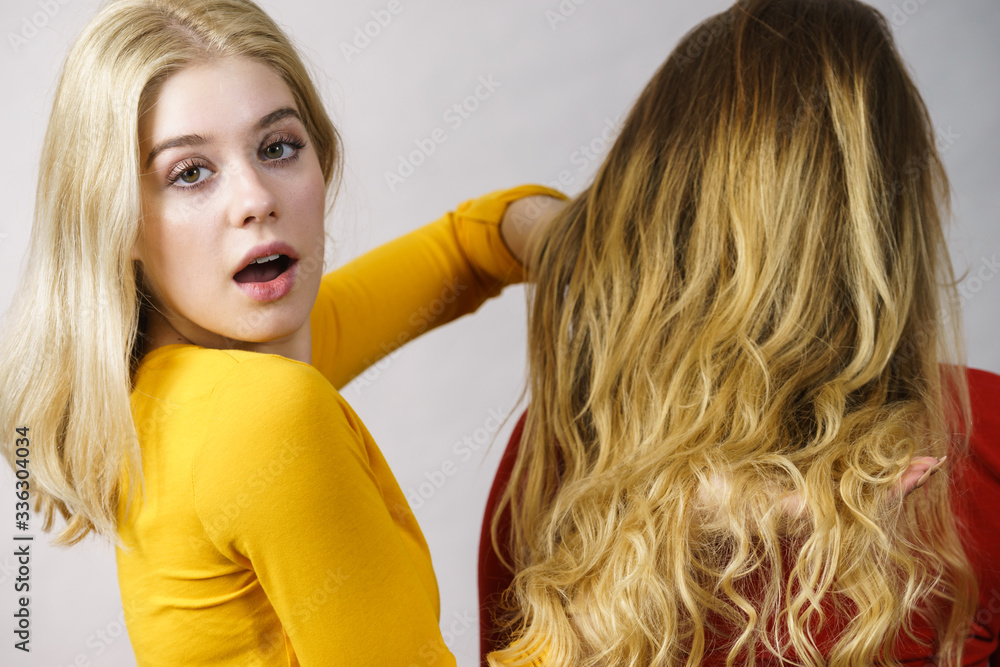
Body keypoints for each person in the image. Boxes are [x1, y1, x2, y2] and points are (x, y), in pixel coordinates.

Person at [0, 0, 563, 664]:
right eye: (190, 172)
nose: (256, 198)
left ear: (319, 157)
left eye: (278, 147)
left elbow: (469, 246)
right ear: (118, 221)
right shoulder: (263, 416)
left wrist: (607, 250)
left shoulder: (166, 382)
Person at [478, 0, 1000, 665]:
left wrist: (588, 247)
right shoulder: (980, 438)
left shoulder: (564, 450)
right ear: (888, 219)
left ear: (653, 196)